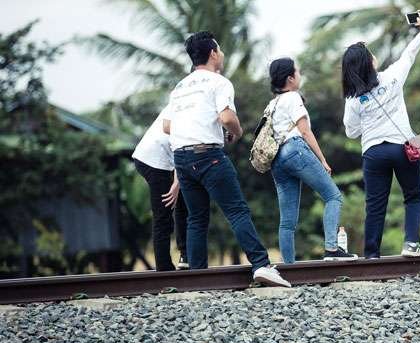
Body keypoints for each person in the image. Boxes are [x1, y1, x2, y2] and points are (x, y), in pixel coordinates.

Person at [163, 31, 290, 287]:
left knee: (196, 218)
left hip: (182, 158)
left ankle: (197, 278)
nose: (221, 54)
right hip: (208, 156)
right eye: (219, 50)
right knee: (237, 211)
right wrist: (237, 132)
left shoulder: (180, 87)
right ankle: (261, 265)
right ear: (212, 53)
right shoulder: (218, 82)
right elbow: (227, 118)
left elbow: (167, 126)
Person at [341, 10, 420, 259]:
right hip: (403, 148)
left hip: (373, 152)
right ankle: (411, 244)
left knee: (375, 207)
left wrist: (368, 124)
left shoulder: (353, 100)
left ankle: (372, 256)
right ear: (369, 62)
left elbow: (351, 132)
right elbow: (409, 54)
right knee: (413, 196)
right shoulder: (392, 77)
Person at [266, 57, 356, 263]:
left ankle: (289, 267)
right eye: (297, 72)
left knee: (287, 222)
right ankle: (332, 249)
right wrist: (322, 160)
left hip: (276, 160)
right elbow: (305, 132)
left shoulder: (272, 104)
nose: (300, 75)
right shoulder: (292, 97)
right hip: (295, 150)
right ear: (290, 78)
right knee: (334, 197)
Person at [132, 110, 189, 271]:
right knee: (163, 215)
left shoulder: (186, 98)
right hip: (154, 161)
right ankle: (164, 269)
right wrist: (176, 184)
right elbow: (179, 146)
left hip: (160, 158)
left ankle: (185, 255)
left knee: (184, 201)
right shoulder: (184, 103)